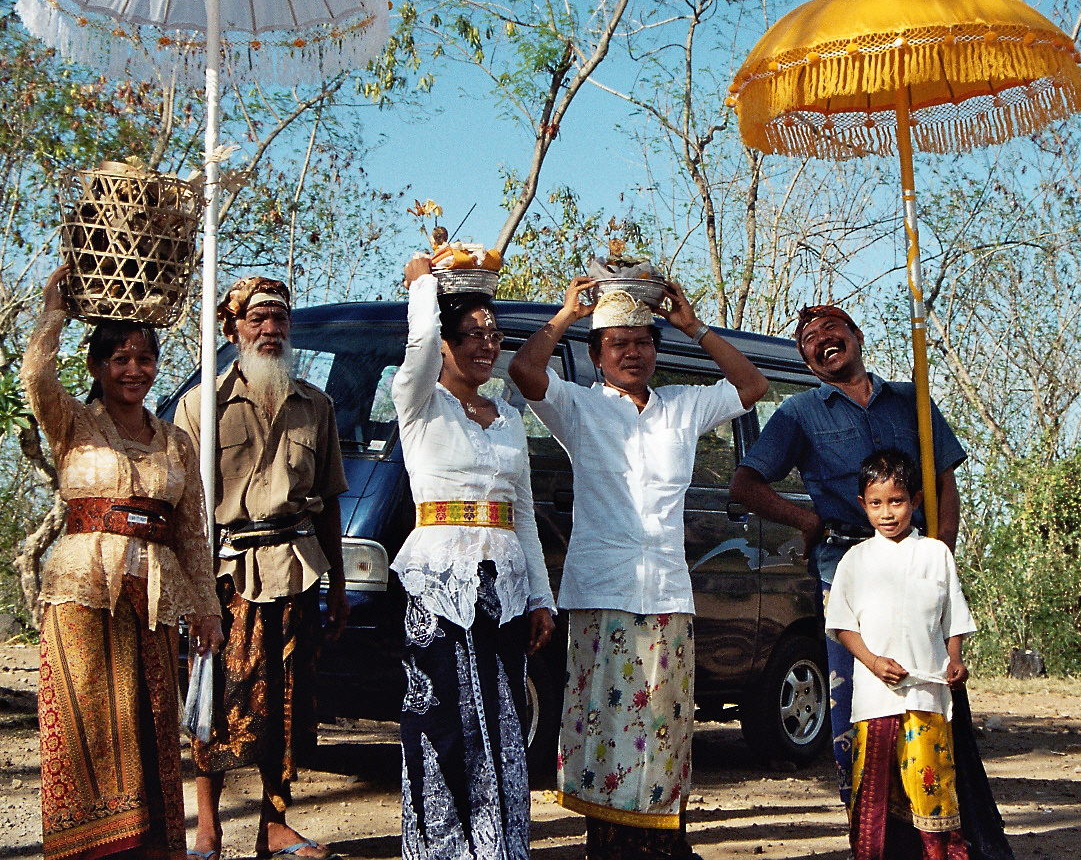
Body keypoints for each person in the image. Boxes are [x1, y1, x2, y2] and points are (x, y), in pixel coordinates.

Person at [729, 305, 1010, 860]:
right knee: (861, 708)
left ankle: (959, 840)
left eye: (830, 329)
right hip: (848, 563)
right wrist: (806, 520)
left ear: (856, 336)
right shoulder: (799, 413)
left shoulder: (912, 398)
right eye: (807, 338)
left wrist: (940, 550)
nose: (820, 340)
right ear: (806, 360)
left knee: (937, 699)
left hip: (918, 567)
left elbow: (945, 480)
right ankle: (879, 842)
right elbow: (744, 483)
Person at [509, 276, 769, 860]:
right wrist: (565, 314)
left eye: (643, 342)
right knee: (605, 724)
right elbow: (525, 374)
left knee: (666, 722)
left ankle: (664, 844)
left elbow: (753, 384)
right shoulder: (578, 406)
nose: (633, 353)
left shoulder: (681, 406)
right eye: (618, 343)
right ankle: (608, 844)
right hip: (603, 590)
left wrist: (692, 326)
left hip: (668, 593)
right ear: (598, 354)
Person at [21, 265, 223, 860]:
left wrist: (207, 610)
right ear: (97, 368)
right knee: (89, 733)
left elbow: (191, 535)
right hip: (83, 597)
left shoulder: (175, 441)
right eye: (120, 359)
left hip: (155, 601)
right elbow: (35, 375)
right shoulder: (74, 425)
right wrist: (54, 311)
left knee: (149, 729)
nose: (134, 370)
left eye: (144, 358)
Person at [176, 276, 349, 860]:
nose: (271, 331)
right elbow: (187, 509)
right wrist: (193, 589)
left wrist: (341, 589)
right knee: (218, 699)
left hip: (297, 569)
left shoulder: (315, 406)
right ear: (232, 329)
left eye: (279, 321)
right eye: (258, 320)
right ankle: (208, 828)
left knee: (289, 702)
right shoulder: (201, 406)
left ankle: (275, 825)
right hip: (226, 576)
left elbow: (329, 501)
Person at [390, 256, 555, 859]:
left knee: (504, 716)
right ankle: (440, 847)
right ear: (448, 343)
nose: (487, 347)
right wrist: (424, 284)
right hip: (437, 584)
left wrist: (541, 596)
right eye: (473, 336)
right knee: (439, 720)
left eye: (495, 335)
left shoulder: (509, 418)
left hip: (504, 587)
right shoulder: (419, 401)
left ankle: (498, 846)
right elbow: (420, 344)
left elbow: (525, 512)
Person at [825, 449, 976, 860]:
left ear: (915, 501)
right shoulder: (855, 561)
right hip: (874, 702)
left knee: (933, 790)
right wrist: (873, 662)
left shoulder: (935, 554)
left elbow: (953, 619)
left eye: (896, 501)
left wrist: (955, 660)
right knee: (872, 796)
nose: (887, 513)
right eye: (876, 503)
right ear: (863, 505)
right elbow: (842, 625)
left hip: (927, 696)